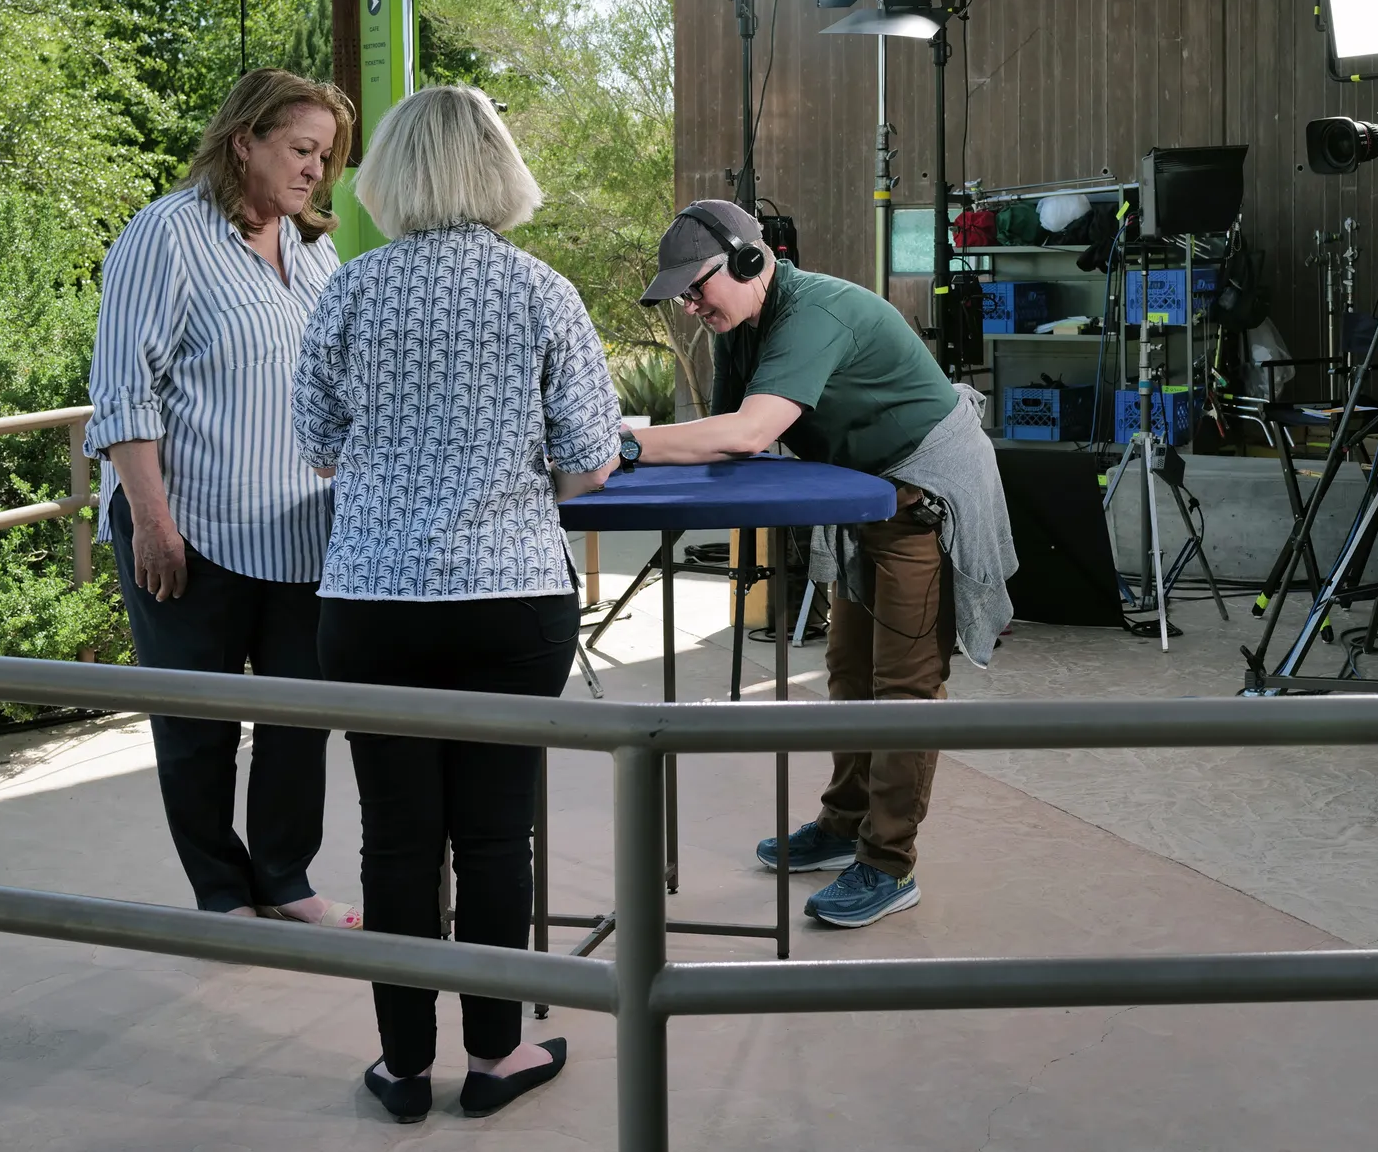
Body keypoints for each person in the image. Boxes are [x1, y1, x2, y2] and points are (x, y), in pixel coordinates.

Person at [296, 85, 623, 1124]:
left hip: (375, 598)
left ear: (388, 177)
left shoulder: (348, 293)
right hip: (510, 597)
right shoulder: (542, 290)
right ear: (499, 169)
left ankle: (401, 1067)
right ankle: (495, 1055)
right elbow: (588, 463)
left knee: (394, 838)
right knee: (494, 837)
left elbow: (316, 446)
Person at [630, 200, 1016, 928]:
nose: (689, 305)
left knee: (904, 684)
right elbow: (726, 442)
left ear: (749, 261)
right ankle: (843, 826)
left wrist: (623, 446)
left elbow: (748, 432)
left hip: (921, 495)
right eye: (680, 294)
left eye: (696, 286)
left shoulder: (817, 311)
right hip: (861, 494)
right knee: (847, 668)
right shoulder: (738, 326)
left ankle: (889, 864)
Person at [85, 69, 360, 927]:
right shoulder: (164, 234)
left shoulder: (317, 248)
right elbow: (123, 390)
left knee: (299, 717)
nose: (316, 170)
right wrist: (153, 523)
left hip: (303, 531)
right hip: (188, 525)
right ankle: (219, 891)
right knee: (197, 726)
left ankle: (284, 878)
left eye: (326, 155)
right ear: (244, 140)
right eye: (301, 149)